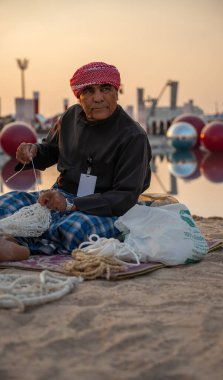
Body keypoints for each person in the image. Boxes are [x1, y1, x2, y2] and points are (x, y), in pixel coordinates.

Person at [0, 61, 152, 261]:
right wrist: (34, 151)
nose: (98, 98)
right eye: (88, 91)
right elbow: (51, 150)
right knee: (9, 202)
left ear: (116, 92)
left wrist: (71, 204)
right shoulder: (71, 116)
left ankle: (25, 248)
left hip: (105, 207)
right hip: (59, 194)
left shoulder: (133, 137)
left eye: (105, 89)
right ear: (79, 97)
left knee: (74, 228)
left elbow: (124, 197)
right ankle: (13, 238)